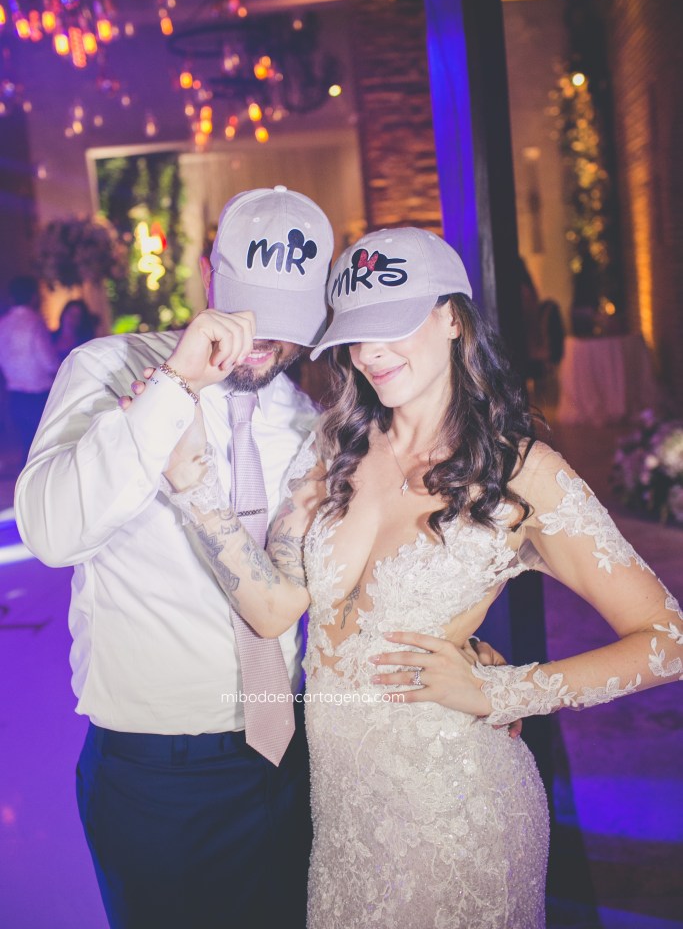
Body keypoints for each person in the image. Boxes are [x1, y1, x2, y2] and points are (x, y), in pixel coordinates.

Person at [155, 226, 683, 929]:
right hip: (343, 818)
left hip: (455, 808)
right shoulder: (333, 447)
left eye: (391, 324)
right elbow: (274, 606)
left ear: (452, 318)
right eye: (355, 333)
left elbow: (667, 640)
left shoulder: (522, 473)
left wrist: (501, 690)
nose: (369, 353)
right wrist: (190, 484)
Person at [14, 187, 333, 929]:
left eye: (284, 317)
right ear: (210, 277)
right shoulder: (107, 368)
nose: (261, 338)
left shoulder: (308, 420)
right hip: (157, 772)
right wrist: (175, 387)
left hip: (291, 753)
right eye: (249, 309)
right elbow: (51, 534)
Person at [0, 275, 59, 463]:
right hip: (38, 393)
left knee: (27, 446)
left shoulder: (3, 323)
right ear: (33, 296)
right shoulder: (34, 321)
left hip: (15, 394)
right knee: (44, 446)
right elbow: (47, 360)